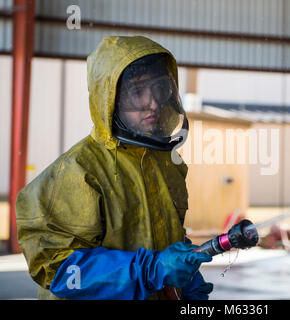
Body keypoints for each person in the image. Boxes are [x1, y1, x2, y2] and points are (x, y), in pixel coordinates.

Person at [15, 36, 213, 300]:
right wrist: (149, 270)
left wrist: (185, 273)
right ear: (110, 98)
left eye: (159, 89)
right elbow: (59, 270)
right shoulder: (76, 172)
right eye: (138, 92)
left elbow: (161, 235)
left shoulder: (166, 164)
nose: (153, 103)